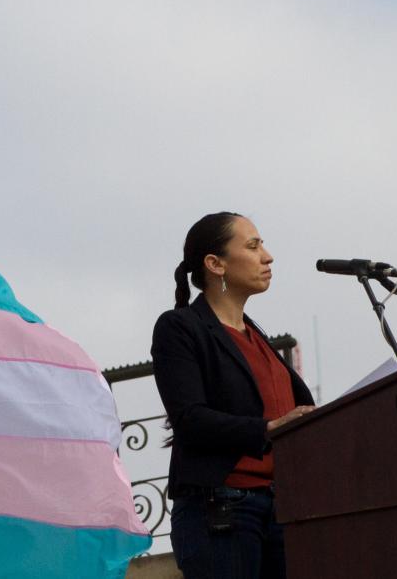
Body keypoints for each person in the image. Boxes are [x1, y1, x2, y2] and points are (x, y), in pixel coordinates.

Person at [151, 212, 316, 578]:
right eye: (253, 245)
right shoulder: (180, 328)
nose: (267, 256)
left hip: (282, 509)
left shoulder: (257, 338)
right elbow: (190, 418)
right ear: (215, 264)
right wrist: (268, 428)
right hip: (222, 510)